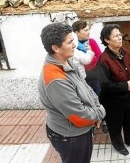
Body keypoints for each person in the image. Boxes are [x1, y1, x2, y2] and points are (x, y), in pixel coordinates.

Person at [38, 23, 106, 163]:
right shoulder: (56, 79)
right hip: (71, 137)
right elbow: (79, 116)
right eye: (70, 42)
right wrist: (100, 112)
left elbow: (86, 88)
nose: (74, 45)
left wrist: (96, 109)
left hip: (79, 131)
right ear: (56, 48)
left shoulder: (67, 61)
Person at [97, 24, 130, 156]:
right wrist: (125, 86)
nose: (120, 37)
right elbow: (104, 84)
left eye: (120, 34)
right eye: (116, 36)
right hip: (113, 101)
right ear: (107, 40)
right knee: (115, 124)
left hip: (128, 97)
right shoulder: (103, 60)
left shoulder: (125, 52)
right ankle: (118, 144)